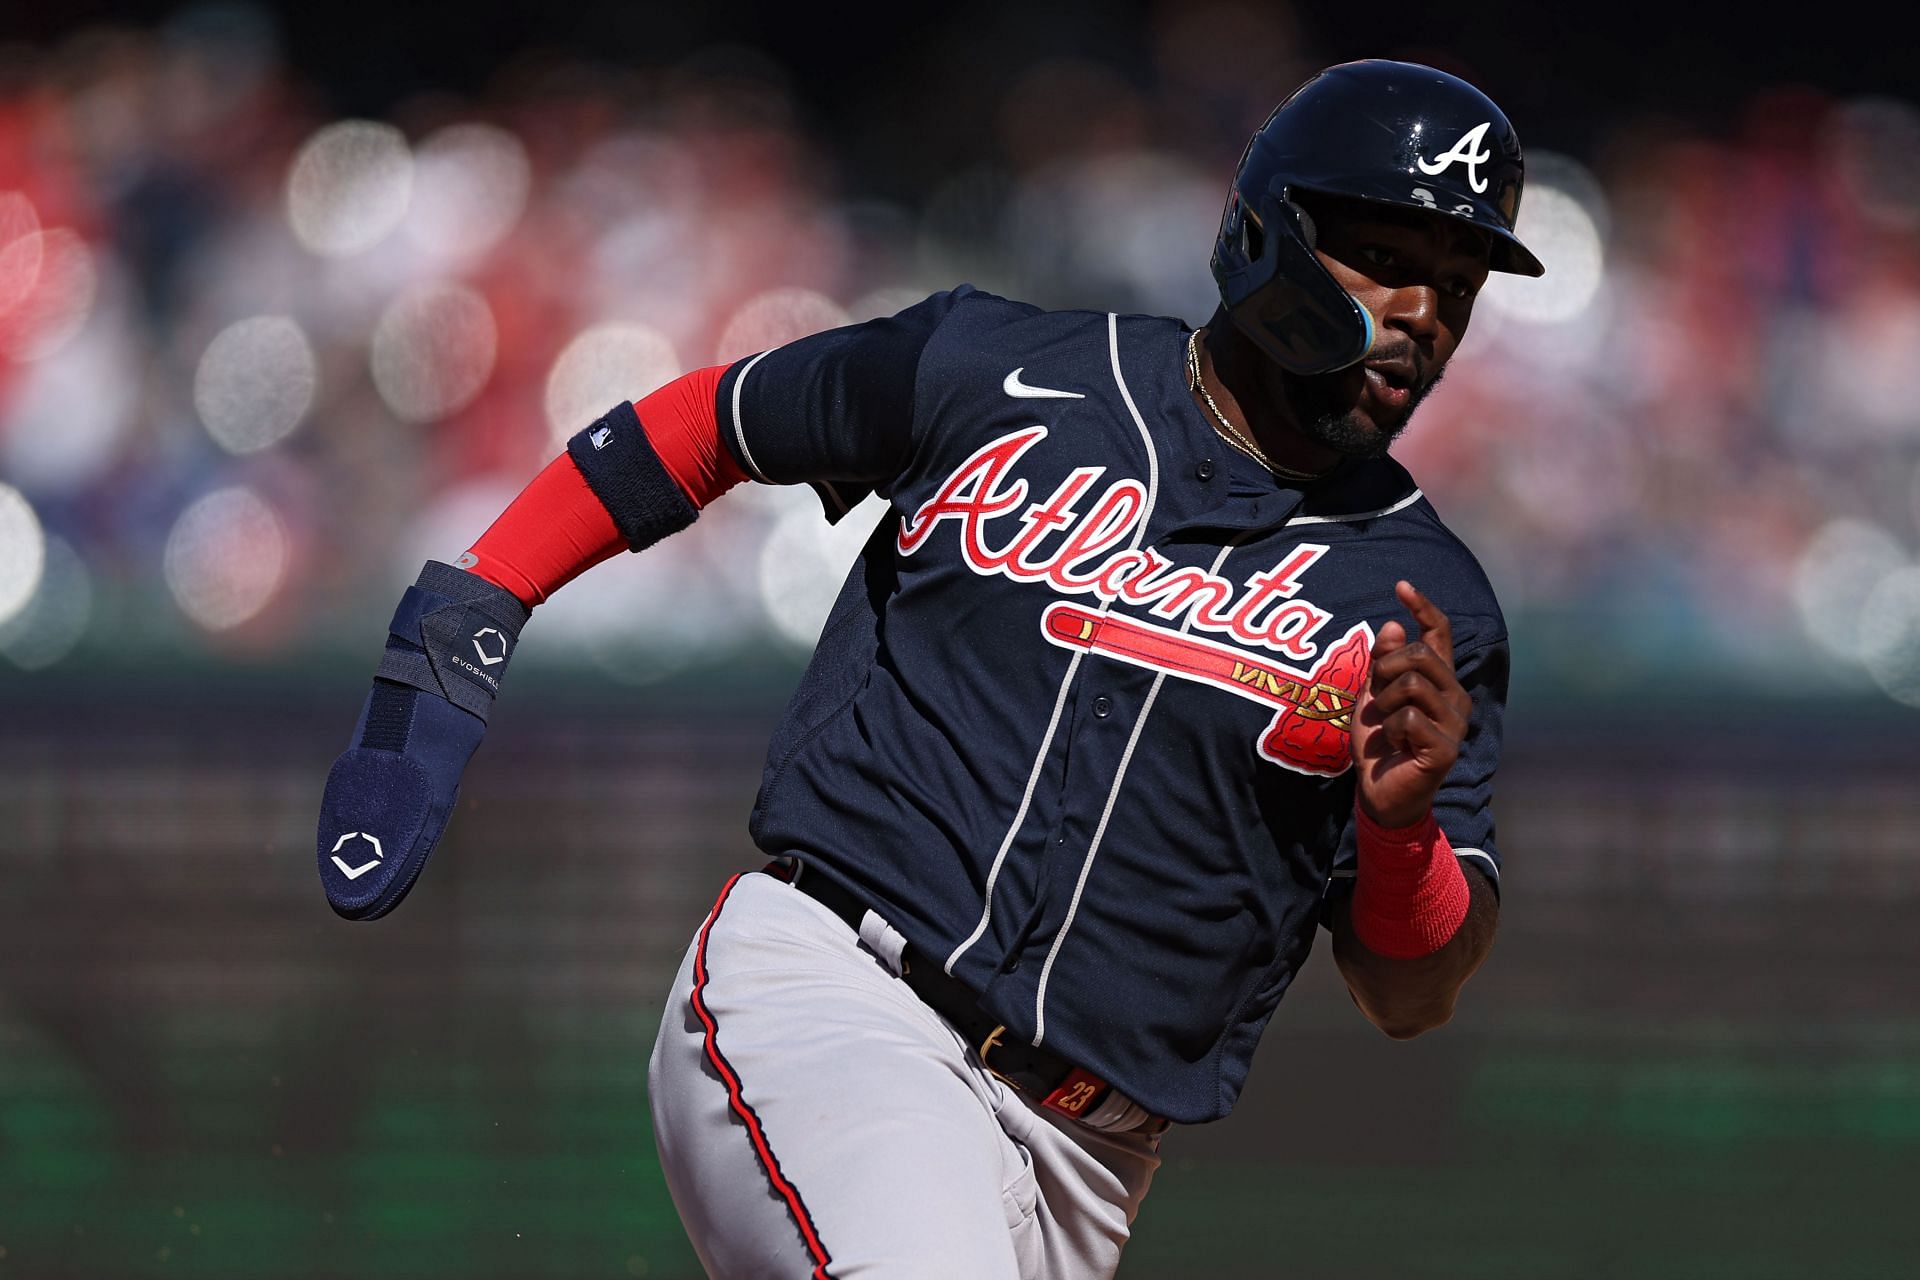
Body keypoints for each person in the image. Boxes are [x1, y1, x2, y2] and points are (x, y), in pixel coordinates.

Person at [317, 58, 1543, 1279]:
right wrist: (479, 600)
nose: (1426, 311)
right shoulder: (1001, 371)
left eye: (1456, 283)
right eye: (1391, 258)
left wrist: (1399, 826)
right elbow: (707, 424)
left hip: (1088, 1163)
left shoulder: (1426, 605)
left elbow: (1410, 986)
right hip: (837, 1003)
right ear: (1278, 232)